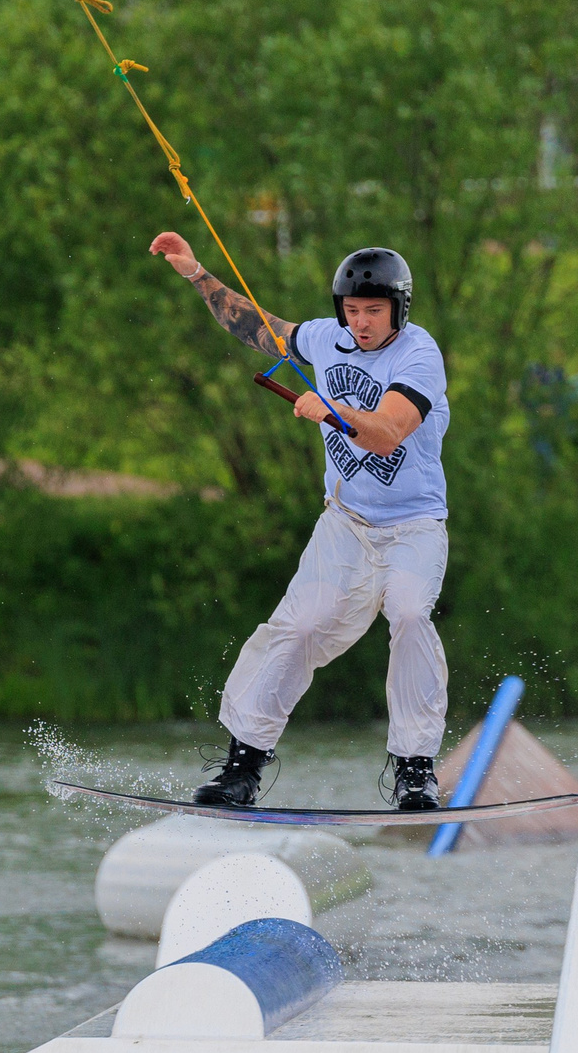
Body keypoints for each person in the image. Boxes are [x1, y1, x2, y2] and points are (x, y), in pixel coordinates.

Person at [148, 230, 451, 811]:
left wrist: (333, 411)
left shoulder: (418, 354)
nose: (361, 323)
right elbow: (260, 328)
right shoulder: (326, 338)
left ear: (399, 309)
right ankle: (242, 766)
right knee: (302, 625)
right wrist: (195, 273)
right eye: (353, 311)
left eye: (374, 311)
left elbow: (388, 433)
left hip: (413, 526)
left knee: (411, 614)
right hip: (345, 523)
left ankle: (415, 770)